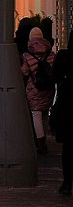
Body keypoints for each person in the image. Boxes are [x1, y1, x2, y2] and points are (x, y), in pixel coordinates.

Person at [23, 25, 57, 154]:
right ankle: (44, 139)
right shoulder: (51, 53)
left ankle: (41, 143)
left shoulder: (27, 54)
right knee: (43, 114)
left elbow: (24, 72)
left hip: (34, 87)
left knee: (35, 113)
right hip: (48, 87)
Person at [54, 29, 73, 195]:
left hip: (67, 108)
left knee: (68, 148)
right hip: (66, 108)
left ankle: (67, 182)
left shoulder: (63, 57)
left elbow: (56, 76)